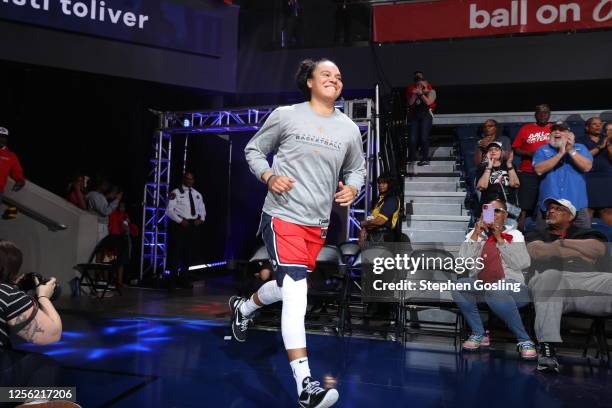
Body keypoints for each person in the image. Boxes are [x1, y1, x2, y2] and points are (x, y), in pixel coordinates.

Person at [229, 58, 365, 408]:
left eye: (338, 75)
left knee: (288, 287)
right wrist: (269, 177)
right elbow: (254, 150)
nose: (335, 79)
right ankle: (306, 386)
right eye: (326, 74)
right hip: (282, 215)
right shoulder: (286, 115)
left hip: (317, 224)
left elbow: (358, 168)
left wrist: (352, 187)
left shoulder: (348, 128)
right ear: (309, 81)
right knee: (297, 293)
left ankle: (245, 308)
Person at [526, 198, 609, 373]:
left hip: (586, 282)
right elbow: (538, 252)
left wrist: (560, 244)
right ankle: (547, 350)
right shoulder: (537, 233)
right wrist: (580, 253)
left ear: (570, 216)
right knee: (550, 276)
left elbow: (598, 249)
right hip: (551, 281)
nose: (551, 211)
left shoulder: (586, 232)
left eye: (557, 209)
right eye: (549, 209)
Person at [452, 199, 536, 359]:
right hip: (484, 286)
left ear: (505, 215)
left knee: (496, 290)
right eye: (487, 210)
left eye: (496, 211)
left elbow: (522, 263)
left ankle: (525, 340)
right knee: (459, 286)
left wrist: (499, 238)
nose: (491, 214)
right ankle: (478, 332)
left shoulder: (515, 234)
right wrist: (476, 234)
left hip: (513, 288)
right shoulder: (475, 234)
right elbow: (462, 264)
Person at [533, 122, 592, 229]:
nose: (557, 132)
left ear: (570, 134)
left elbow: (587, 167)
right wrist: (560, 153)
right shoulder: (542, 150)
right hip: (548, 207)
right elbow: (539, 170)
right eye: (554, 130)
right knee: (544, 241)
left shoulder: (580, 148)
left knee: (582, 240)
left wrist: (570, 150)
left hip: (577, 205)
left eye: (561, 130)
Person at [512, 104, 552, 230]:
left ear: (549, 114)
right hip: (528, 171)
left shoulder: (554, 129)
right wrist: (529, 153)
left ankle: (546, 233)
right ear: (535, 115)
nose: (543, 115)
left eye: (545, 112)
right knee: (524, 206)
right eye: (540, 112)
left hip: (548, 172)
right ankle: (520, 234)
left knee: (547, 204)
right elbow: (516, 148)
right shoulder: (526, 128)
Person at [165, 171, 206, 290]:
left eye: (191, 179)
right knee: (175, 253)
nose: (189, 181)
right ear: (183, 179)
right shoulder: (175, 192)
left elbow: (202, 209)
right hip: (180, 226)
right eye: (187, 179)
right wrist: (180, 221)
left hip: (192, 225)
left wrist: (201, 219)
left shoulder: (197, 194)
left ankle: (184, 279)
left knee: (188, 254)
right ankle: (172, 281)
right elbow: (169, 211)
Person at [578, 118, 612, 219]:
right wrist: (600, 147)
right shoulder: (580, 141)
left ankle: (608, 234)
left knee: (607, 210)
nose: (598, 126)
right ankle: (587, 234)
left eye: (600, 124)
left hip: (606, 177)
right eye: (594, 124)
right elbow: (582, 158)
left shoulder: (607, 138)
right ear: (587, 127)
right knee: (588, 209)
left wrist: (609, 145)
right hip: (588, 178)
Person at [475, 141, 519, 216]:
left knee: (510, 226)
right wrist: (489, 167)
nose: (493, 151)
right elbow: (481, 187)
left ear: (502, 152)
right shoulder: (482, 167)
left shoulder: (509, 166)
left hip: (508, 205)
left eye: (496, 149)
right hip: (488, 204)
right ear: (487, 153)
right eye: (490, 149)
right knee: (488, 226)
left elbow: (515, 184)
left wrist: (509, 165)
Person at [406, 71, 436, 166]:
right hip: (415, 115)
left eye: (421, 82)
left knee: (424, 137)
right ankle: (411, 158)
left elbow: (428, 102)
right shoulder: (411, 90)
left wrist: (421, 94)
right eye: (417, 82)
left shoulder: (431, 91)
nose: (419, 84)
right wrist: (415, 94)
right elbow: (410, 103)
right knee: (412, 138)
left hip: (426, 115)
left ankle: (425, 158)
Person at [360, 173, 400, 244]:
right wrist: (365, 228)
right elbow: (373, 218)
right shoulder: (380, 199)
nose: (380, 185)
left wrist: (364, 223)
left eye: (384, 183)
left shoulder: (392, 199)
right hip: (374, 235)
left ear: (390, 184)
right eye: (379, 183)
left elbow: (380, 221)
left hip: (384, 236)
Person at [108, 201, 139, 288]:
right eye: (121, 206)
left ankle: (119, 282)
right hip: (114, 239)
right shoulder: (113, 214)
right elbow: (114, 227)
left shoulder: (125, 215)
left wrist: (128, 223)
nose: (122, 208)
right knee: (111, 261)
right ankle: (110, 282)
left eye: (123, 206)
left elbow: (132, 231)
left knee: (121, 262)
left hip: (123, 240)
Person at [86, 178, 122, 242]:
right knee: (99, 248)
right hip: (99, 227)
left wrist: (109, 196)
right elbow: (105, 211)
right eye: (105, 184)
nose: (107, 186)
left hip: (100, 227)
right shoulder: (95, 195)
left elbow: (101, 205)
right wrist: (117, 200)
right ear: (100, 185)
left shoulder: (98, 196)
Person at [0, 127, 26, 203]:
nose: (1, 138)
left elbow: (17, 172)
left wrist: (20, 181)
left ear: (6, 139)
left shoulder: (11, 156)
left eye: (3, 137)